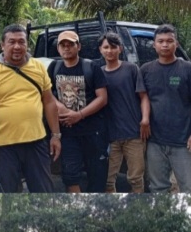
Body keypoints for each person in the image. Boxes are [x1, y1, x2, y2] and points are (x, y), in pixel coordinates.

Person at [0, 24, 61, 192]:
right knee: (6, 195)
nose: (17, 46)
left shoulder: (38, 68)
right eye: (11, 42)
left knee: (44, 193)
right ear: (3, 45)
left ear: (27, 45)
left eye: (21, 42)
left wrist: (55, 135)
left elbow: (49, 102)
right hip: (3, 147)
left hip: (36, 143)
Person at [47, 31, 109, 192]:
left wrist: (79, 115)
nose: (66, 48)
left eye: (70, 44)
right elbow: (46, 94)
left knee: (97, 176)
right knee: (70, 176)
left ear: (78, 46)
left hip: (92, 132)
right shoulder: (54, 67)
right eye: (63, 45)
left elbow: (102, 98)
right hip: (67, 135)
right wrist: (60, 107)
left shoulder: (91, 67)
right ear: (58, 49)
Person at [140, 24, 191, 192]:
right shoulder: (146, 70)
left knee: (188, 187)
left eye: (169, 41)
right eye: (160, 41)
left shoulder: (187, 69)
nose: (165, 45)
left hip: (183, 142)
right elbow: (144, 97)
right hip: (155, 141)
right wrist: (145, 120)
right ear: (154, 44)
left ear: (176, 43)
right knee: (157, 188)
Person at [99, 32, 149, 193]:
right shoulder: (98, 73)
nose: (109, 51)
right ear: (100, 49)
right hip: (110, 136)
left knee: (135, 178)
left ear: (120, 49)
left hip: (134, 134)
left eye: (113, 47)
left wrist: (145, 120)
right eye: (106, 47)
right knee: (107, 179)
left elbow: (143, 97)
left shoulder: (131, 69)